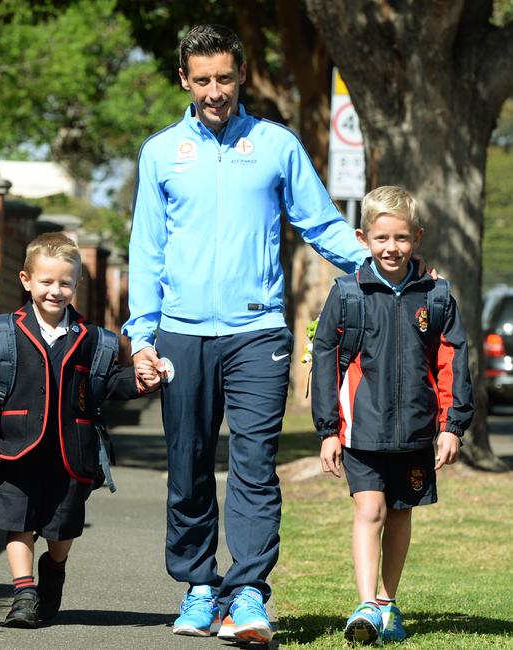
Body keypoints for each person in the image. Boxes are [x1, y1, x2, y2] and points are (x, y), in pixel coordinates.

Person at [122, 24, 371, 644]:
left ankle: (251, 592)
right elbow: (146, 250)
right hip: (179, 333)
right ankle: (200, 587)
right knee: (187, 462)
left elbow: (321, 223)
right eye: (202, 79)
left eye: (225, 79)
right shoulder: (159, 153)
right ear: (184, 79)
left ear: (240, 78)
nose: (214, 91)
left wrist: (381, 264)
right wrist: (141, 336)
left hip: (257, 331)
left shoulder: (275, 145)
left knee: (255, 464)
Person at [0, 232, 158, 628]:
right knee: (16, 521)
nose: (55, 291)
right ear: (26, 280)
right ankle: (23, 595)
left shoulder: (93, 339)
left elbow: (106, 386)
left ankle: (54, 570)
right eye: (46, 282)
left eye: (65, 283)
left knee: (61, 527)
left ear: (76, 285)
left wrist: (140, 382)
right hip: (15, 448)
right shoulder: (6, 332)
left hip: (72, 451)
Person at [311, 186, 473, 644]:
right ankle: (364, 605)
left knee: (400, 514)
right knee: (371, 509)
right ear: (363, 238)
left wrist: (451, 427)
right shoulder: (347, 294)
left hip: (419, 432)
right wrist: (327, 430)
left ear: (416, 237)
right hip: (362, 430)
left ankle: (387, 602)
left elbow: (452, 359)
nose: (392, 248)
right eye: (382, 238)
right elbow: (326, 359)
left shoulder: (436, 295)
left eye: (401, 238)